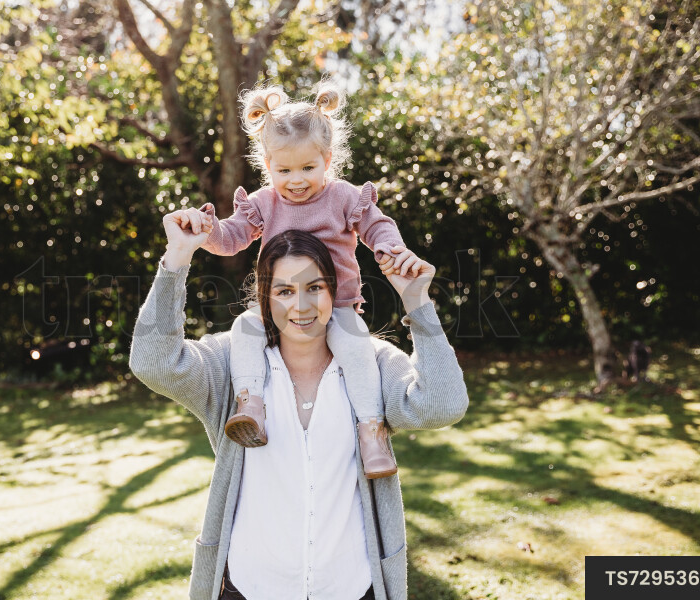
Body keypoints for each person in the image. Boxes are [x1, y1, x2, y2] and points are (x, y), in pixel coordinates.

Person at [130, 221, 468, 600]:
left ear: (334, 290)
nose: (302, 306)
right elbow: (152, 362)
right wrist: (177, 257)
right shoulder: (231, 364)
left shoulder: (369, 365)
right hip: (250, 586)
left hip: (351, 587)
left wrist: (417, 302)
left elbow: (444, 405)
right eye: (284, 291)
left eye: (315, 288)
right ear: (265, 296)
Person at [174, 81, 424, 479]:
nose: (296, 179)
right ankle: (251, 404)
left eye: (308, 168)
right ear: (268, 164)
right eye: (284, 170)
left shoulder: (343, 197)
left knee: (356, 349)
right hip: (279, 307)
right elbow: (232, 237)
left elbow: (377, 225)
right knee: (245, 330)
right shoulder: (264, 203)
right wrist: (207, 230)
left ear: (327, 159)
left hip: (337, 305)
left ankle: (371, 432)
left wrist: (390, 248)